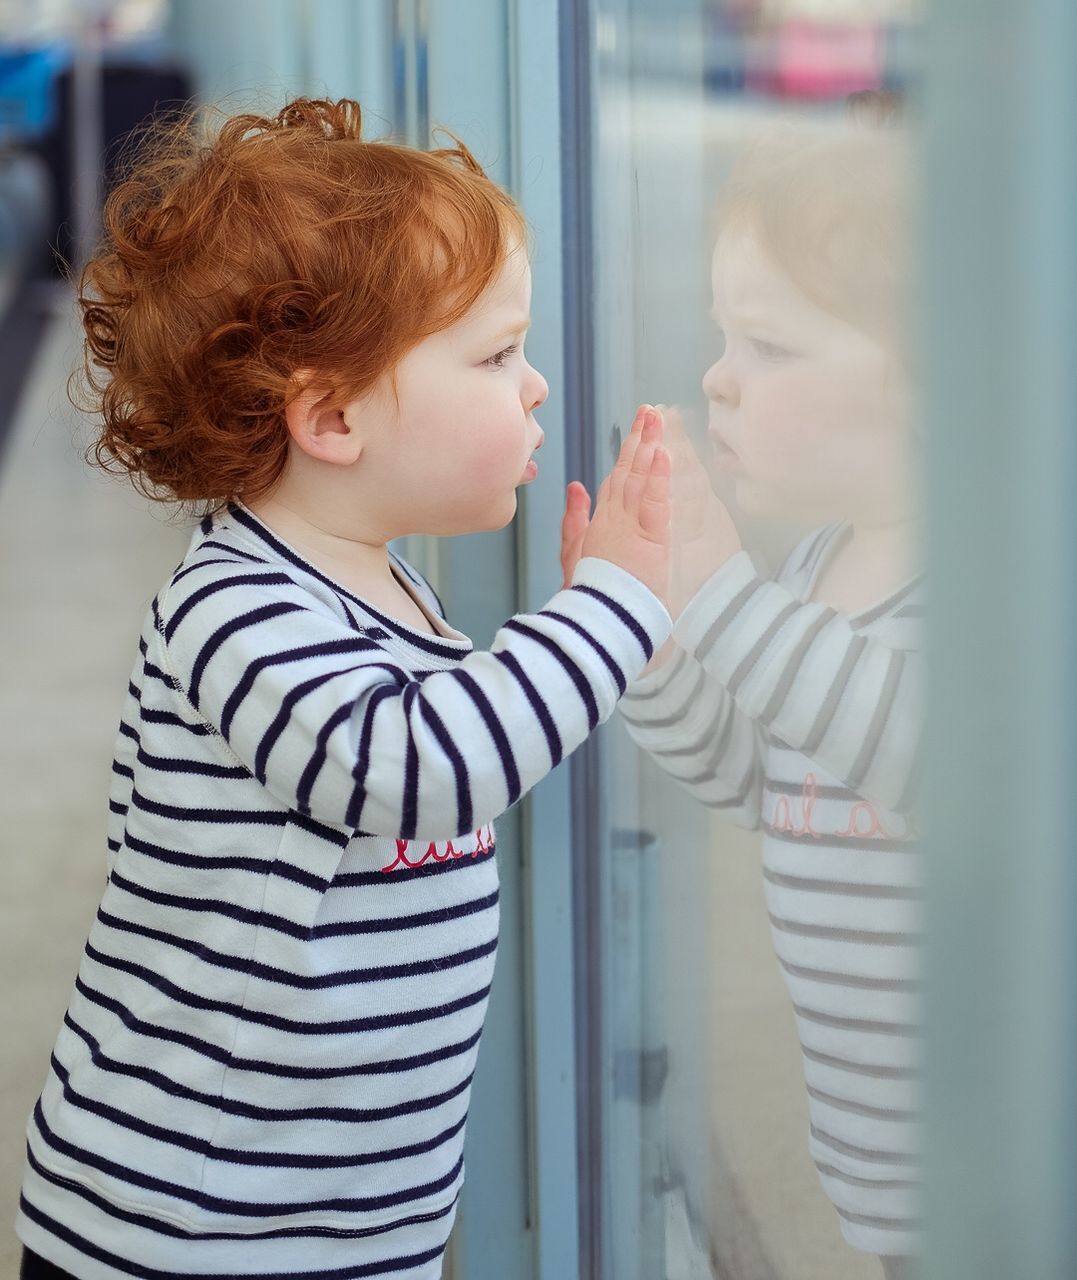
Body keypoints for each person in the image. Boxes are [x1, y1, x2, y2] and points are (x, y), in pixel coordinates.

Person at [15, 96, 674, 1280]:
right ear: (330, 415)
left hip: (340, 1206)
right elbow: (426, 766)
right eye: (494, 355)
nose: (534, 389)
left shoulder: (373, 586)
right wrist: (609, 610)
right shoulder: (238, 615)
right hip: (193, 1219)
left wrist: (584, 637)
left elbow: (464, 731)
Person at [562, 102, 922, 1279]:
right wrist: (654, 644)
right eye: (723, 337)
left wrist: (719, 590)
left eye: (767, 345)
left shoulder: (995, 580)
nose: (716, 377)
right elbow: (762, 776)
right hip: (877, 1157)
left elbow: (916, 745)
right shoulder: (819, 564)